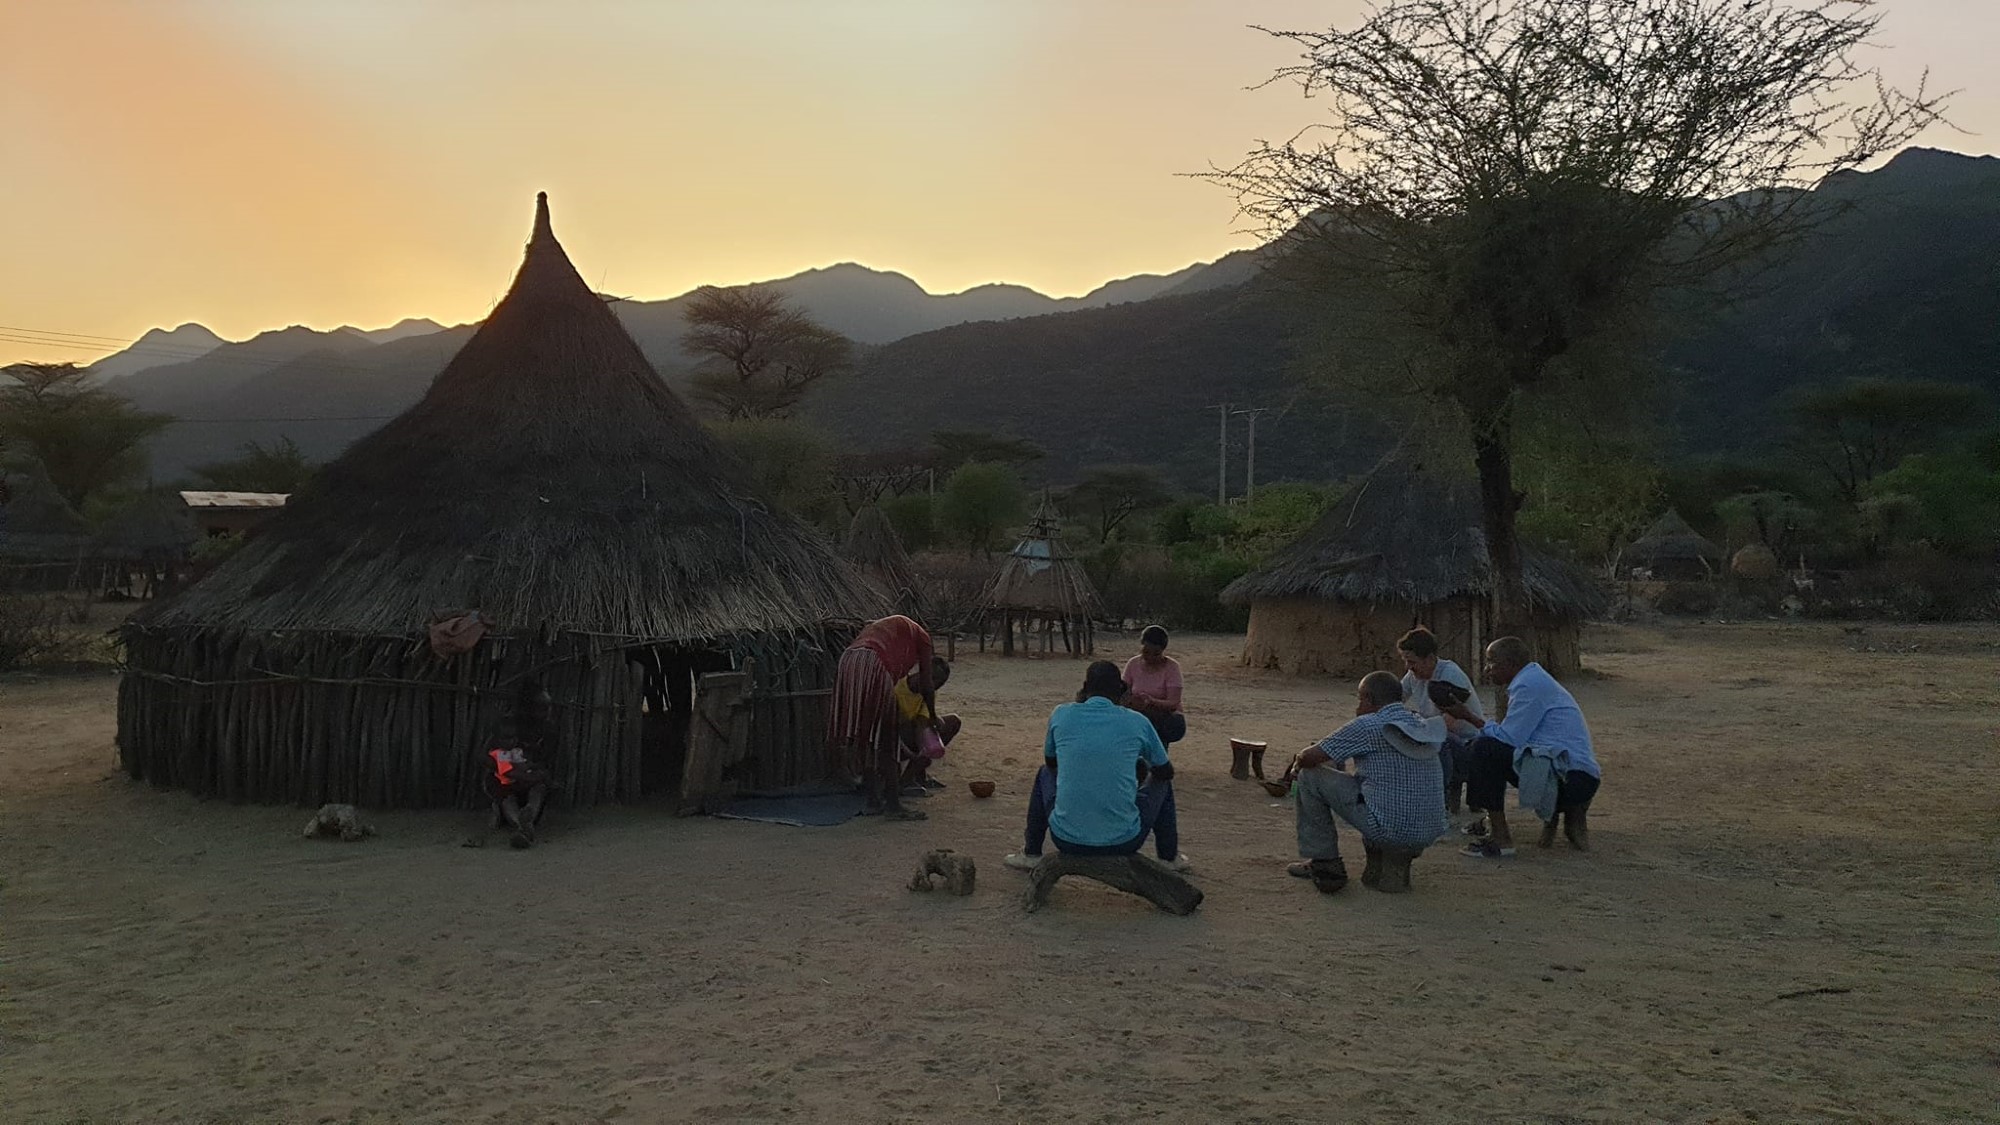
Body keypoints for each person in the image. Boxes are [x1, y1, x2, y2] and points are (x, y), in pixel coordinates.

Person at [1004, 660, 1191, 873]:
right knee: (1162, 782)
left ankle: (1031, 852)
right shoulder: (1137, 721)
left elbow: (1051, 762)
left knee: (1044, 773)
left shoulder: (1061, 714)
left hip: (1066, 837)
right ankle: (1168, 857)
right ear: (1121, 690)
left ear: (1085, 687)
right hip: (1124, 840)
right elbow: (1165, 770)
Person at [1285, 671, 1449, 894]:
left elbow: (1309, 757)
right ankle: (1381, 872)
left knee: (1310, 776)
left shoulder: (1368, 724)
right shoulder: (1419, 722)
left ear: (1368, 699)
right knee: (1368, 784)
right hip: (1429, 829)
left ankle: (1325, 862)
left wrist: (1296, 767)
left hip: (1389, 828)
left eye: (1359, 699)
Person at [1442, 636, 1602, 857]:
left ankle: (1500, 838)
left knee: (1484, 749)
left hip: (1571, 779)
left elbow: (1509, 738)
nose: (1488, 669)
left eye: (1492, 662)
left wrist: (1469, 717)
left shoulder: (1528, 685)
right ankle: (1492, 821)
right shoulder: (1533, 679)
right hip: (1575, 774)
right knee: (1486, 747)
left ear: (1511, 663)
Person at [828, 614, 938, 821]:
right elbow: (927, 683)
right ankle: (893, 805)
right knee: (887, 738)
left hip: (848, 660)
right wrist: (932, 714)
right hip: (873, 662)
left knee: (865, 734)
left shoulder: (887, 628)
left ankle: (872, 801)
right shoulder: (922, 639)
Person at [1396, 626, 1485, 817]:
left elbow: (1448, 725)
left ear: (1429, 658)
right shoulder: (1415, 675)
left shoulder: (1448, 675)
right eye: (1405, 661)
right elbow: (1394, 698)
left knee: (1440, 740)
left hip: (1466, 745)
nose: (1408, 667)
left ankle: (1438, 801)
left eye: (1411, 662)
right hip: (1437, 734)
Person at [483, 678, 557, 850]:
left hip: (529, 777)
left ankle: (528, 816)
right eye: (542, 708)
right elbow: (486, 756)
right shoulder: (508, 726)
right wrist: (511, 772)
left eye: (548, 707)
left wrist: (535, 773)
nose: (547, 712)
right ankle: (520, 825)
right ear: (528, 708)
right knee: (505, 794)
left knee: (538, 788)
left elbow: (544, 761)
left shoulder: (548, 730)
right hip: (505, 777)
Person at [894, 657, 961, 797]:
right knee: (910, 731)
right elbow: (889, 728)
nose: (934, 689)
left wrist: (924, 748)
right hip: (894, 737)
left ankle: (915, 774)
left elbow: (922, 721)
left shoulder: (929, 691)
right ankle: (904, 782)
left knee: (953, 722)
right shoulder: (896, 690)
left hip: (912, 732)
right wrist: (916, 751)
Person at [1122, 625, 1186, 745]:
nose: (1150, 657)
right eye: (1146, 652)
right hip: (1137, 713)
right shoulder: (1133, 664)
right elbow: (1123, 693)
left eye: (1156, 654)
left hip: (1165, 716)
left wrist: (1151, 701)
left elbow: (1174, 701)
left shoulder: (1172, 667)